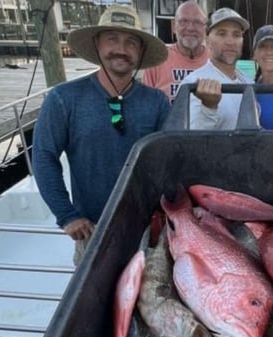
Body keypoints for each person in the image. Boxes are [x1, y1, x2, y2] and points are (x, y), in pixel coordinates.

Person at [32, 5, 170, 265]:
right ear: (97, 44)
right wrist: (66, 215)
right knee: (93, 303)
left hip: (148, 231)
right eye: (112, 39)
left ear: (140, 52)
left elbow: (168, 163)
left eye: (131, 42)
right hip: (92, 232)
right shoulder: (63, 99)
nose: (121, 49)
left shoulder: (158, 102)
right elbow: (43, 156)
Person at [179, 7, 252, 130]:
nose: (230, 42)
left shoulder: (248, 81)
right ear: (207, 41)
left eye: (236, 35)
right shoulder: (193, 83)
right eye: (221, 34)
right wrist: (208, 107)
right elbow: (191, 141)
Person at [142, 0, 210, 102]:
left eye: (197, 22)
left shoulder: (215, 60)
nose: (190, 28)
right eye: (184, 21)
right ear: (174, 26)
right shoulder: (157, 60)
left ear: (205, 29)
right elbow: (146, 104)